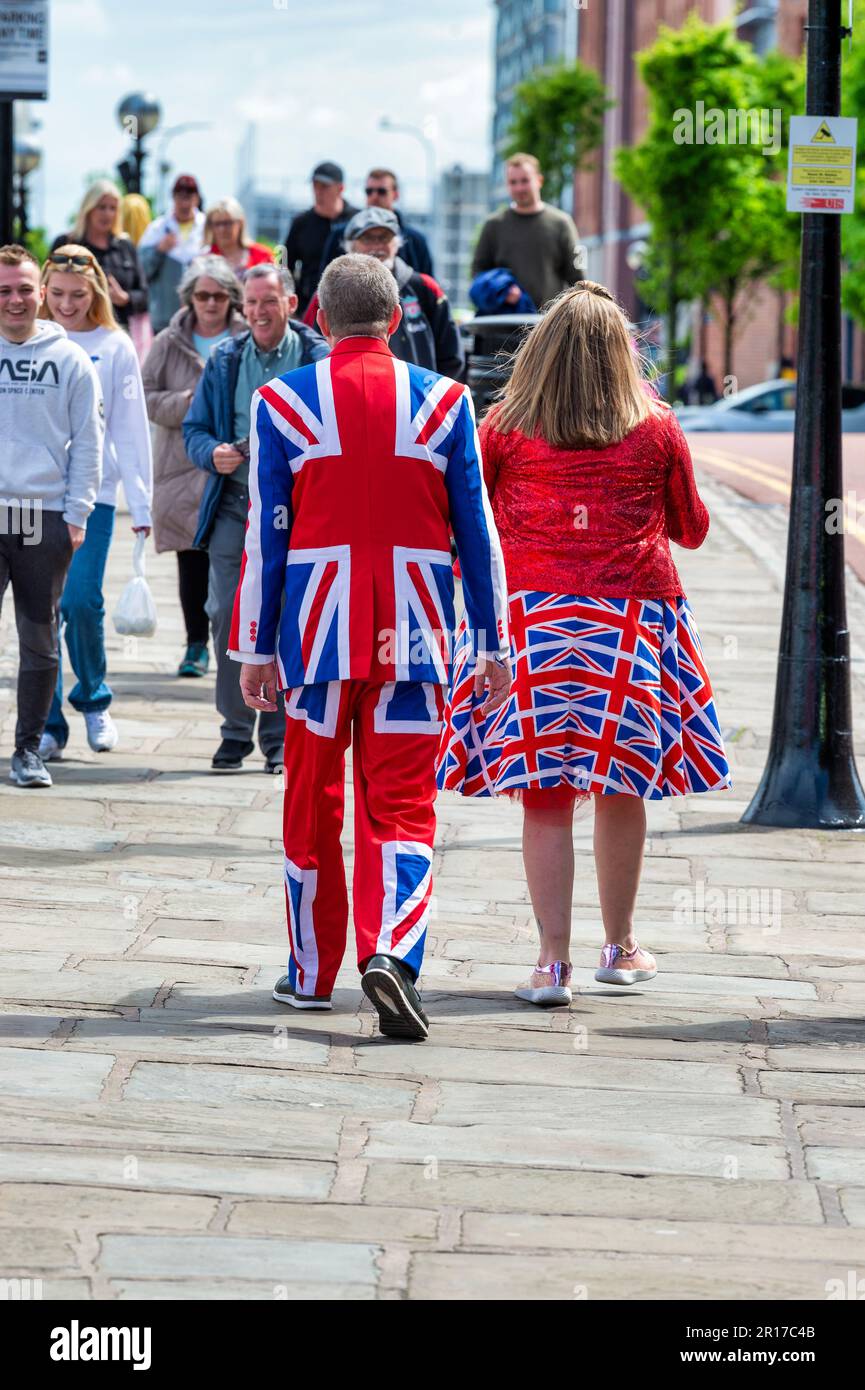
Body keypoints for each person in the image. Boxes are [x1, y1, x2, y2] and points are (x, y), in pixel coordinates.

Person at [228, 253, 510, 1039]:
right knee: (402, 808)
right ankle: (392, 952)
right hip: (416, 640)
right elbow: (477, 534)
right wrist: (493, 643)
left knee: (310, 805)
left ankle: (312, 976)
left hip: (315, 640)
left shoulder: (279, 402)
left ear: (316, 317)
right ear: (394, 319)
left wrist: (255, 644)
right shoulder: (448, 402)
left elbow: (266, 532)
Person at [438, 281, 732, 1007]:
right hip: (628, 624)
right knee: (620, 790)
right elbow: (689, 528)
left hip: (532, 625)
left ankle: (549, 965)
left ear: (540, 351)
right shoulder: (657, 428)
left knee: (545, 799)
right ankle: (620, 949)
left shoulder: (503, 425)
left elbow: (465, 524)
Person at [183, 264, 328, 771]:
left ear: (290, 303)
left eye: (269, 301)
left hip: (300, 511)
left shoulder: (317, 358)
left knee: (288, 615)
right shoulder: (225, 359)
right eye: (250, 303)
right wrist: (212, 453)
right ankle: (234, 729)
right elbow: (194, 429)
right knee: (226, 614)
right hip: (235, 506)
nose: (259, 311)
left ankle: (278, 737)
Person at [34, 247, 152, 760]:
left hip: (96, 494)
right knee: (44, 611)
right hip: (33, 494)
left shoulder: (115, 345)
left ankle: (94, 698)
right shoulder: (26, 341)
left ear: (96, 292)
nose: (66, 304)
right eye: (57, 294)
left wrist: (142, 504)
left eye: (77, 295)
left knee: (81, 603)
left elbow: (130, 424)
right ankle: (49, 724)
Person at [0, 244, 103, 788]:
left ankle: (27, 751)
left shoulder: (69, 360)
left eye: (22, 289)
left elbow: (88, 439)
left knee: (39, 640)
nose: (14, 300)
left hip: (42, 517)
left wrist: (77, 513)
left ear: (40, 292)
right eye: (4, 291)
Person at [143, 255, 246, 680]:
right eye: (202, 295)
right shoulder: (169, 339)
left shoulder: (244, 336)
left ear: (231, 299)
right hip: (182, 464)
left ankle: (235, 644)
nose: (210, 303)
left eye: (218, 295)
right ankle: (194, 645)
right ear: (189, 298)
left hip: (233, 465)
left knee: (232, 561)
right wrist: (186, 402)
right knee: (191, 557)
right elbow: (146, 397)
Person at [303, 208, 463, 379]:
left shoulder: (425, 287)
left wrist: (428, 393)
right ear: (350, 245)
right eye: (367, 238)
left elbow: (451, 356)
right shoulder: (328, 290)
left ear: (397, 243)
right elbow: (311, 347)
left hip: (415, 399)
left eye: (384, 237)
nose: (377, 246)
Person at [472, 154, 584, 312]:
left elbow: (578, 275)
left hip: (547, 325)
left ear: (539, 180)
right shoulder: (493, 225)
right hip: (500, 326)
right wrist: (502, 290)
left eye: (525, 180)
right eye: (513, 182)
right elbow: (478, 272)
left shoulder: (562, 223)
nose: (519, 188)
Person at [51, 179, 147, 330]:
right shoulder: (66, 242)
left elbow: (145, 295)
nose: (107, 214)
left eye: (113, 208)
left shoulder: (125, 246)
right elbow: (47, 284)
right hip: (71, 329)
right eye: (101, 207)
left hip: (117, 330)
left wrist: (125, 298)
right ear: (88, 209)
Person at [318, 167, 433, 279]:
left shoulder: (415, 240)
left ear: (395, 194)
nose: (374, 196)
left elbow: (428, 286)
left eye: (381, 191)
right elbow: (325, 282)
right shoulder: (341, 235)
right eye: (369, 191)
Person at [284, 162, 359, 317]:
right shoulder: (300, 222)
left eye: (324, 186)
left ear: (340, 189)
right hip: (309, 308)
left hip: (353, 306)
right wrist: (293, 297)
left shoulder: (358, 220)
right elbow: (282, 262)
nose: (318, 191)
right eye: (315, 185)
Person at [137, 174, 207, 334]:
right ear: (173, 198)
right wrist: (159, 250)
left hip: (200, 318)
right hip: (164, 320)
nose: (184, 203)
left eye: (189, 197)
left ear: (197, 198)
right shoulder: (157, 229)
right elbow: (141, 272)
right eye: (180, 197)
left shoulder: (207, 227)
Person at [203, 198, 273, 278]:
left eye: (227, 223)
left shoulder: (263, 256)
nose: (222, 229)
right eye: (217, 224)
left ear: (240, 223)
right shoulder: (204, 260)